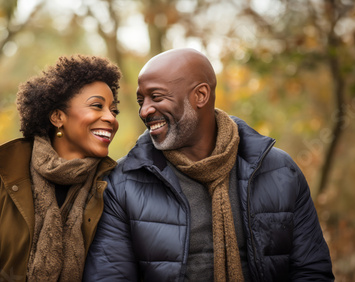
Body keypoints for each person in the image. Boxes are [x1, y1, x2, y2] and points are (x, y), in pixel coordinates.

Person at [83, 48, 334, 281]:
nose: (145, 111)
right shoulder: (123, 183)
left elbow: (311, 271)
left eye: (156, 97)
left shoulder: (279, 171)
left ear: (200, 95)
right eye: (141, 101)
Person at [0, 54, 121, 281]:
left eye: (114, 110)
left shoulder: (115, 183)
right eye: (97, 106)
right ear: (58, 116)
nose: (111, 117)